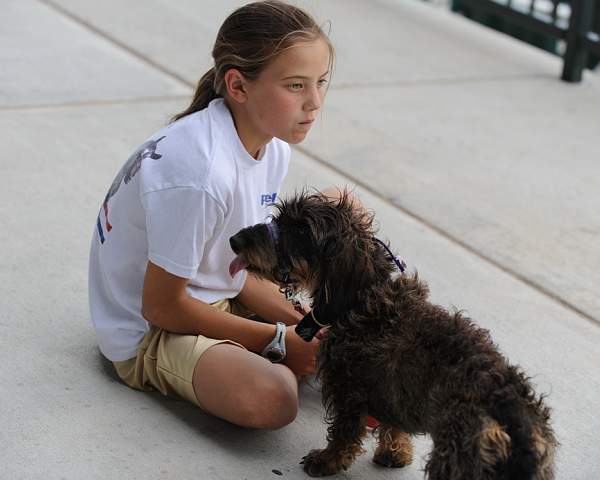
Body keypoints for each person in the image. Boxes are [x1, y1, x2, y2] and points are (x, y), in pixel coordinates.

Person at [88, 1, 334, 430]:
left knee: (342, 207)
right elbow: (161, 305)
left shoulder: (271, 147)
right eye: (296, 86)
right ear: (238, 86)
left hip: (209, 294)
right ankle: (276, 353)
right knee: (274, 397)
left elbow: (231, 268)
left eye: (321, 82)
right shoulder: (199, 174)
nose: (314, 103)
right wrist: (278, 340)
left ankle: (297, 343)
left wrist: (299, 325)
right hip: (151, 330)